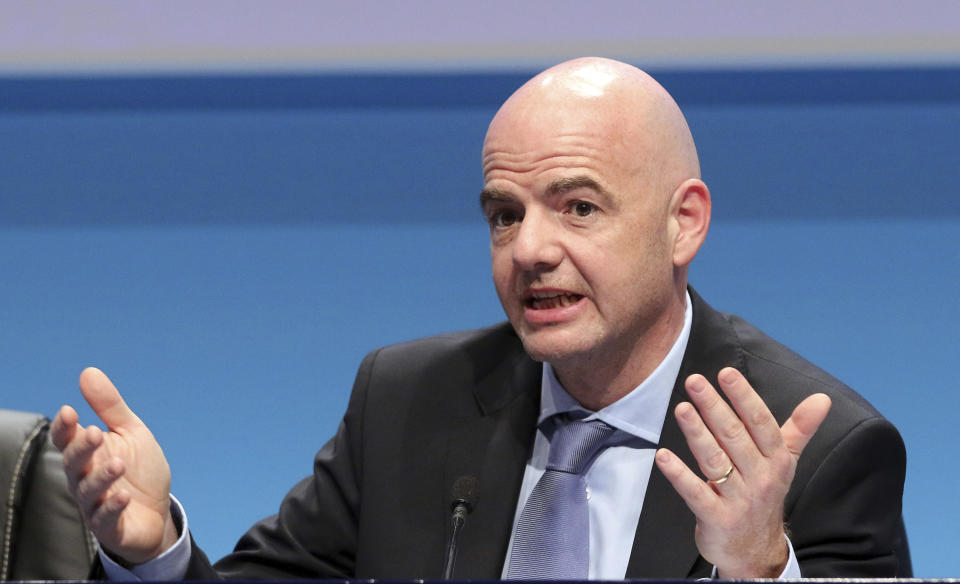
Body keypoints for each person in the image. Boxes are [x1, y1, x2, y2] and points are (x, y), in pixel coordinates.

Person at [51, 57, 906, 580]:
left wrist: (761, 570)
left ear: (683, 223)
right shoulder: (406, 401)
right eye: (504, 213)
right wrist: (152, 548)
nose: (529, 249)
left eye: (577, 207)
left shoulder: (820, 456)